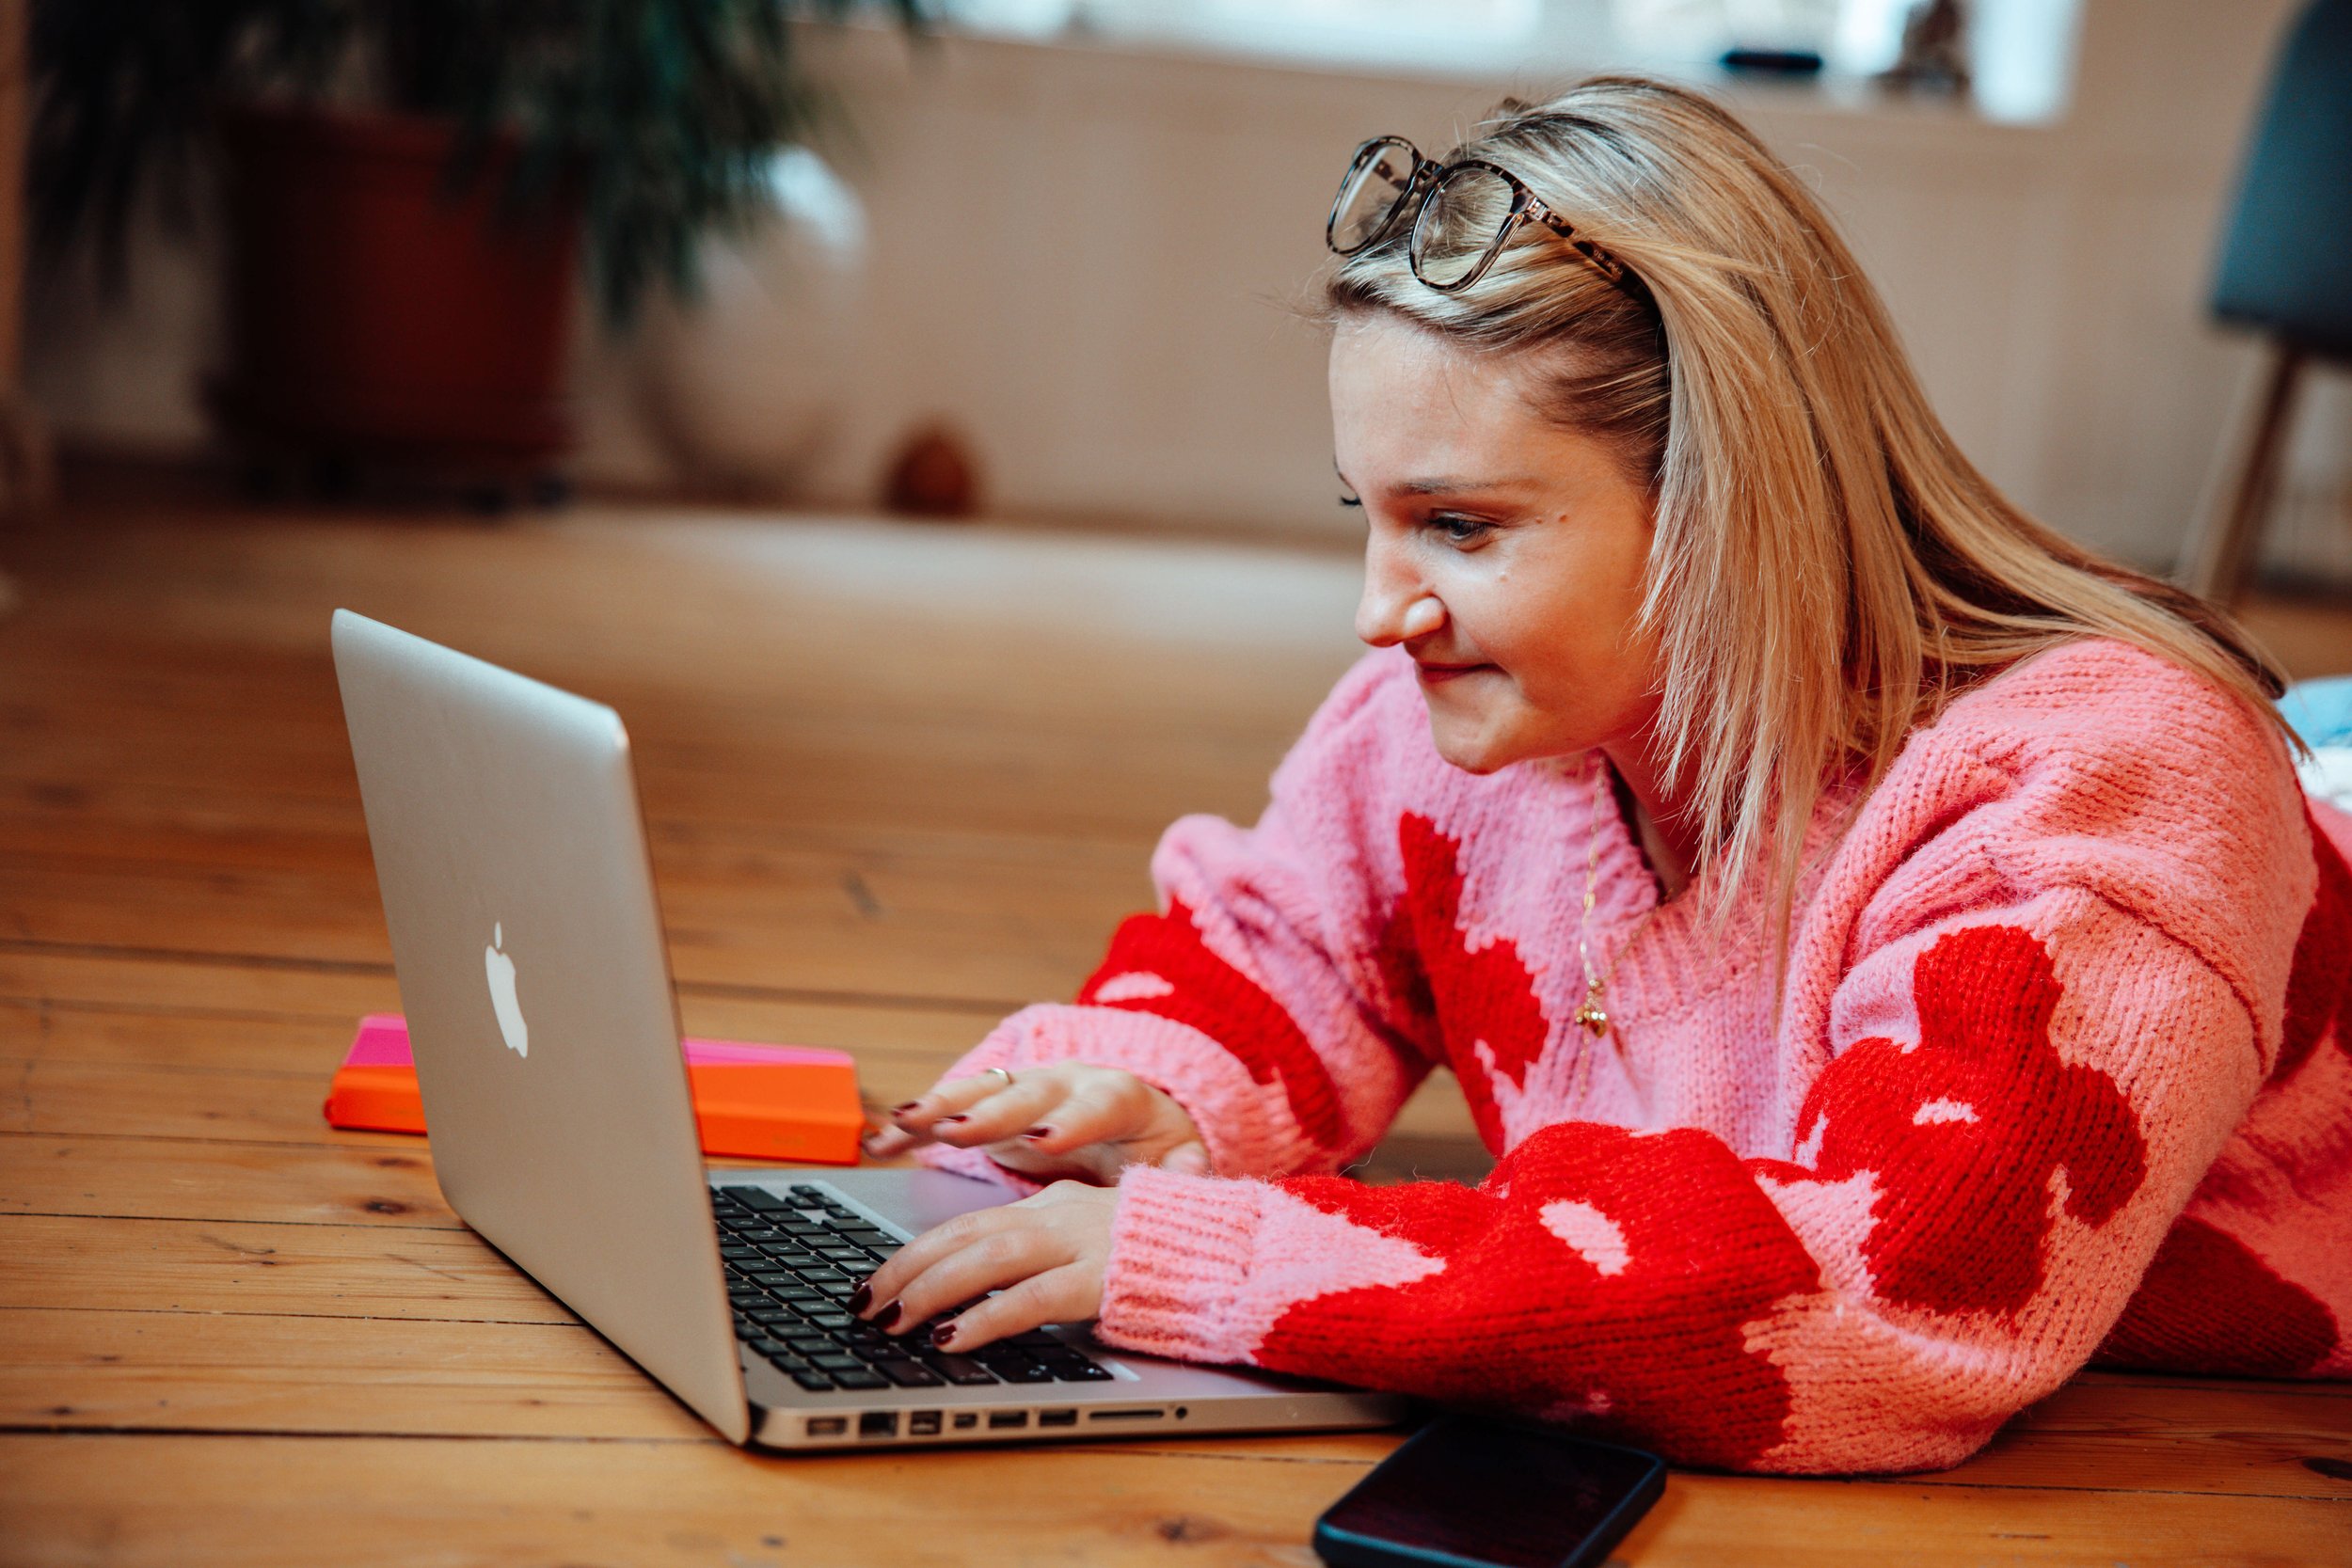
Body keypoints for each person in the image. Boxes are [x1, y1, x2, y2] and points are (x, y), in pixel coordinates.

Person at [850, 76, 2352, 1474]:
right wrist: (1151, 1104)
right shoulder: (1454, 720)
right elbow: (1289, 949)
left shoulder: (2106, 785)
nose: (1380, 613)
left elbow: (1900, 1298)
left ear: (1726, 497)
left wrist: (1221, 1256)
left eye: (1461, 526)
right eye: (1367, 515)